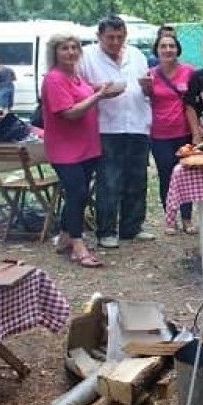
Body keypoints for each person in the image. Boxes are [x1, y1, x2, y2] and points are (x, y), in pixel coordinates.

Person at [79, 15, 156, 249]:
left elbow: (146, 90)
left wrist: (148, 88)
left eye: (120, 37)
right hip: (106, 127)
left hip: (137, 123)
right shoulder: (86, 57)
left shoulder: (137, 54)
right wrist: (99, 90)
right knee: (109, 180)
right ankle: (107, 230)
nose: (115, 42)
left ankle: (132, 227)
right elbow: (78, 88)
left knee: (137, 178)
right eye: (110, 37)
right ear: (99, 36)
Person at [42, 33, 114, 268]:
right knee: (77, 193)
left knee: (80, 194)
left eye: (74, 48)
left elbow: (85, 91)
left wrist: (99, 88)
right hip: (65, 148)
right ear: (55, 52)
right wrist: (98, 96)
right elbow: (69, 112)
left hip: (87, 146)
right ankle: (77, 244)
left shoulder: (75, 76)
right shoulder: (53, 79)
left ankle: (65, 235)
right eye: (64, 48)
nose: (71, 52)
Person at [143, 34, 196, 235]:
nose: (167, 50)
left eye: (172, 46)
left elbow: (194, 101)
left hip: (184, 132)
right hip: (159, 134)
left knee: (186, 175)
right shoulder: (150, 75)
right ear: (157, 50)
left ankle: (188, 218)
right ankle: (170, 219)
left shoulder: (189, 71)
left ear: (178, 49)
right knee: (166, 176)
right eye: (163, 46)